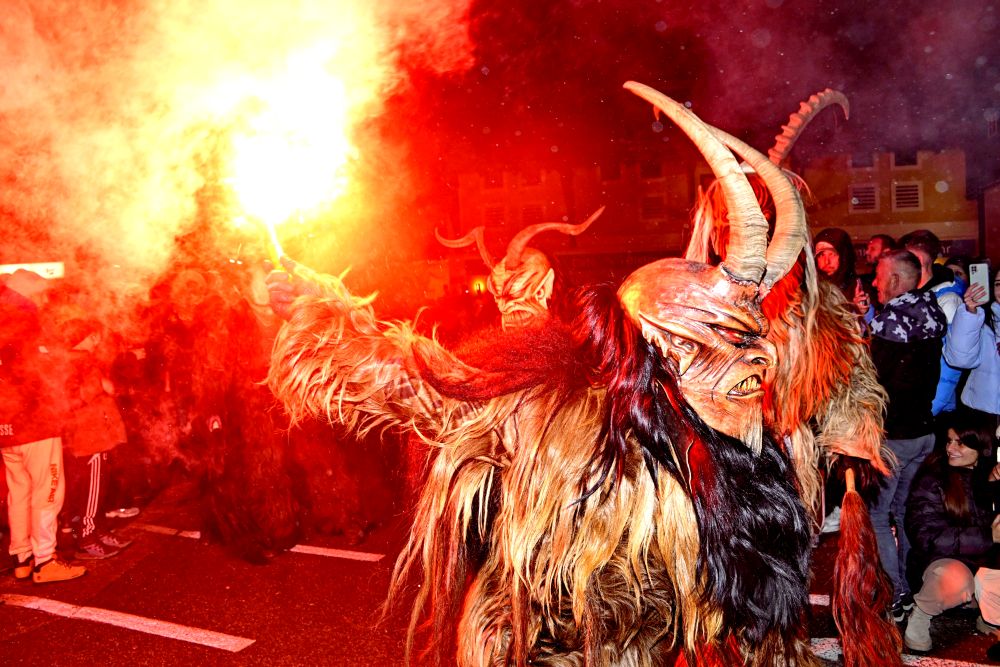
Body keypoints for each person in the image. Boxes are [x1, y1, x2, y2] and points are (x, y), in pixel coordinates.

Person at [265, 84, 894, 666]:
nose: (748, 372)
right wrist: (322, 316)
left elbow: (831, 385)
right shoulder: (562, 411)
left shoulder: (742, 430)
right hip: (544, 633)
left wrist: (848, 429)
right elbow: (428, 389)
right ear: (662, 350)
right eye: (710, 352)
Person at [868, 249, 948, 620]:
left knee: (878, 516)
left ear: (896, 280)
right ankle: (911, 586)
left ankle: (894, 595)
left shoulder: (890, 322)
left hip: (894, 436)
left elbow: (874, 383)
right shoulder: (931, 310)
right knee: (903, 512)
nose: (874, 283)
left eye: (878, 275)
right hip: (924, 433)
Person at [0, 269, 86, 583]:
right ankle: (45, 561)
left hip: (6, 424)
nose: (43, 298)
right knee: (47, 491)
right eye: (40, 292)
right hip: (34, 423)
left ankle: (22, 557)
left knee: (19, 492)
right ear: (27, 290)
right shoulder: (25, 319)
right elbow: (42, 371)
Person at [903, 412, 1000, 652]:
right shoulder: (932, 478)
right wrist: (988, 537)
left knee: (987, 578)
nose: (950, 449)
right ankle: (921, 615)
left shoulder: (989, 475)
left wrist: (995, 487)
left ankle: (988, 614)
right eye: (949, 441)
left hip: (983, 565)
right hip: (941, 564)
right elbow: (928, 538)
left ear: (982, 447)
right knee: (955, 577)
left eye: (960, 443)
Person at [61, 317, 133, 559]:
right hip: (90, 436)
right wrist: (102, 385)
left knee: (93, 490)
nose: (98, 340)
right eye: (95, 336)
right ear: (89, 336)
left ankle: (98, 531)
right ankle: (88, 537)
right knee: (92, 490)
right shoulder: (81, 361)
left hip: (88, 435)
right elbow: (89, 393)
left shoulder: (71, 360)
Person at [945, 266, 1000, 435]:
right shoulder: (983, 321)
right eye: (998, 284)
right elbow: (960, 359)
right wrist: (970, 312)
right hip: (983, 416)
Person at [814, 227, 859, 301]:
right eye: (821, 255)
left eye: (832, 254)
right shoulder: (810, 289)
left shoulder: (858, 289)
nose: (827, 261)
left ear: (843, 256)